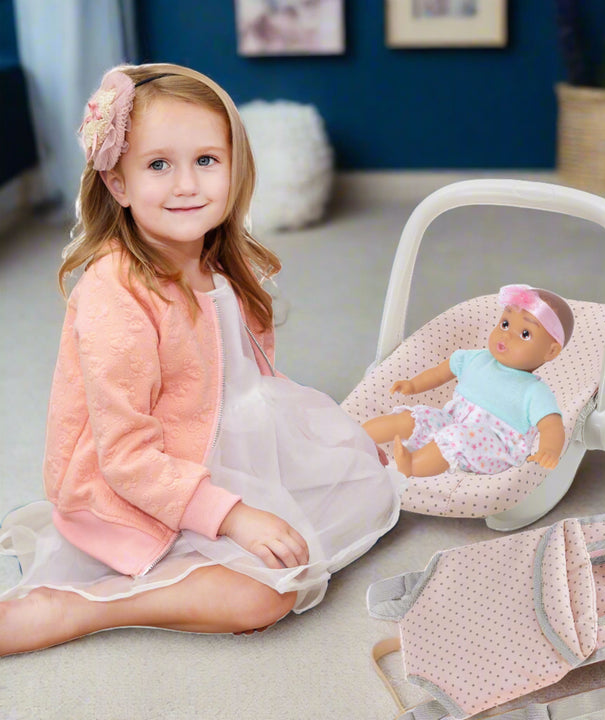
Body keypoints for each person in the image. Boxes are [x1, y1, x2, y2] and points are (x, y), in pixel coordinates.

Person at [0, 63, 403, 656]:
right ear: (118, 184)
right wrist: (235, 517)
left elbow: (246, 377)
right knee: (267, 595)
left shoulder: (216, 260)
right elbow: (126, 458)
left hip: (214, 443)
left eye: (207, 161)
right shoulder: (116, 294)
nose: (187, 184)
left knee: (367, 485)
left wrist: (312, 443)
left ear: (235, 168)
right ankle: (87, 605)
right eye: (158, 165)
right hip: (140, 486)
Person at [363, 284, 574, 478]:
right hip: (453, 421)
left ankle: (412, 466)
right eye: (505, 324)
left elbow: (551, 426)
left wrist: (549, 450)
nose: (506, 336)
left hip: (494, 447)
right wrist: (413, 385)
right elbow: (439, 373)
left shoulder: (534, 390)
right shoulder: (476, 358)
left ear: (550, 351)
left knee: (456, 436)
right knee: (416, 417)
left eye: (525, 334)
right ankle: (360, 436)